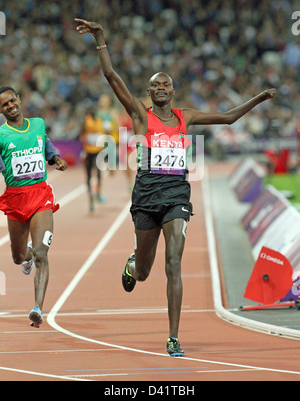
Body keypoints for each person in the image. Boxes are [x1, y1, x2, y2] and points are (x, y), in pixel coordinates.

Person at [75, 18, 276, 356]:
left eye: (166, 83)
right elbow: (111, 77)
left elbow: (227, 117)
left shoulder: (187, 117)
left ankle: (173, 337)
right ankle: (133, 262)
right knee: (144, 271)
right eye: (156, 85)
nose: (162, 88)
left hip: (176, 195)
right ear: (150, 93)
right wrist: (101, 38)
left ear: (173, 90)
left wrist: (258, 98)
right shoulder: (140, 113)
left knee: (174, 261)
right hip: (146, 195)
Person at [0, 86, 67, 328]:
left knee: (41, 253)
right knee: (19, 257)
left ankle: (38, 308)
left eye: (12, 100)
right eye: (4, 104)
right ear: (1, 110)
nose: (10, 106)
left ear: (19, 99)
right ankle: (25, 255)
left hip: (40, 196)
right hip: (15, 199)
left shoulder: (38, 124)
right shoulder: (1, 135)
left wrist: (56, 159)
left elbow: (46, 146)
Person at [81, 104, 106, 211]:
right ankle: (91, 199)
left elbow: (104, 134)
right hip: (88, 151)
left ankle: (98, 194)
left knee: (99, 173)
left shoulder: (100, 121)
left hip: (98, 151)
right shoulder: (85, 121)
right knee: (89, 175)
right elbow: (80, 133)